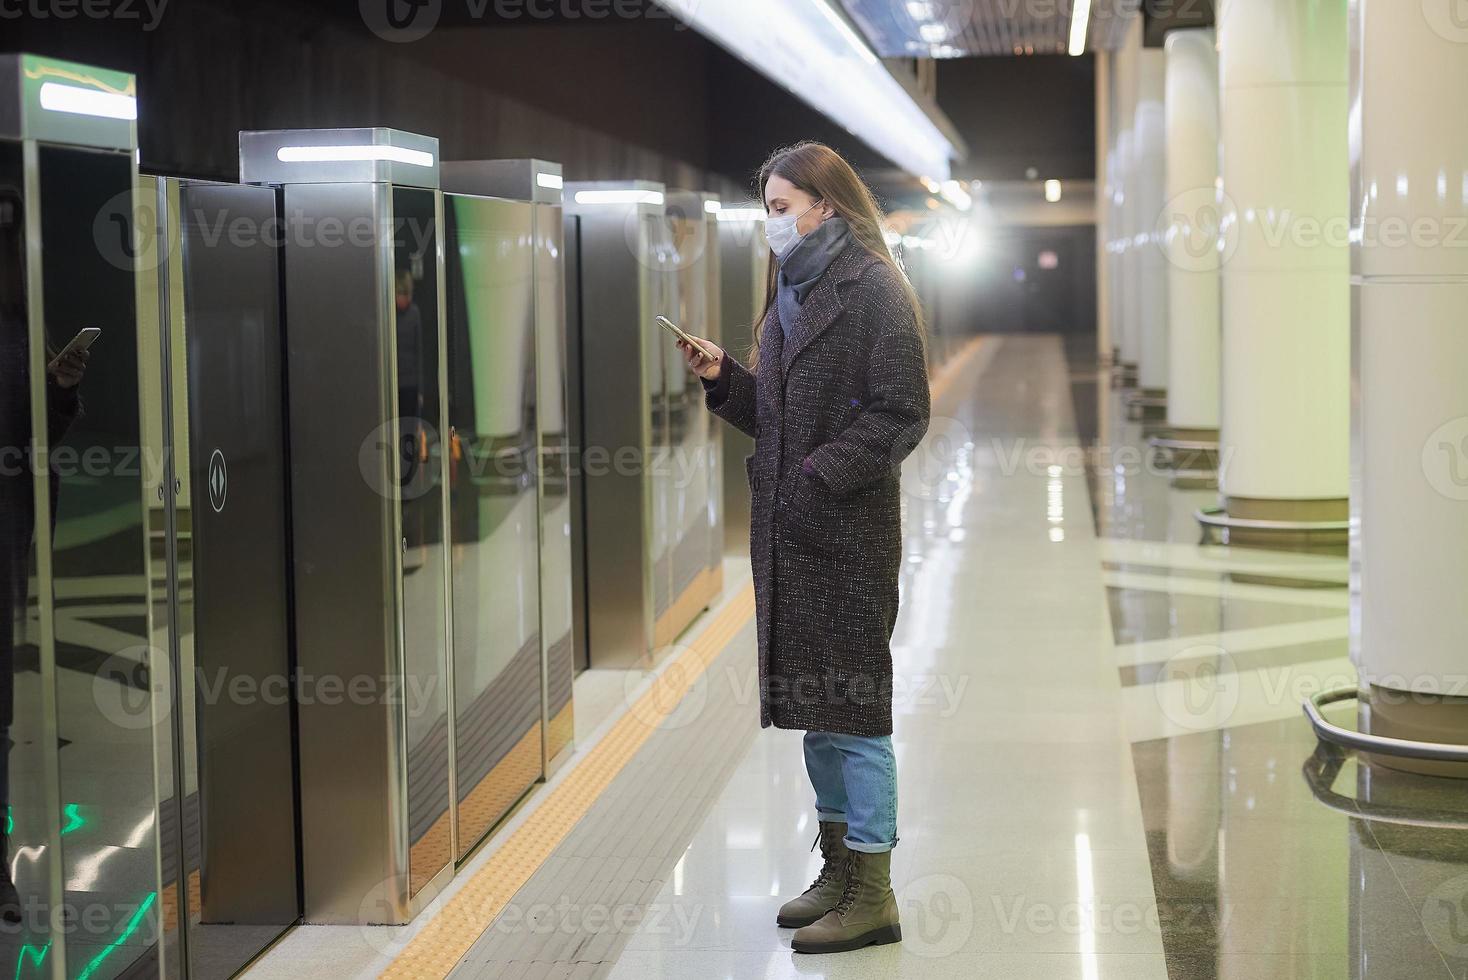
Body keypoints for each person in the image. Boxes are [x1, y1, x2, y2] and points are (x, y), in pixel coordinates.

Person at [675, 141, 931, 954]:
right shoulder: (789, 288)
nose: (772, 223)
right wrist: (725, 380)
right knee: (821, 714)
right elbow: (779, 417)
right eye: (768, 208)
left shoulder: (874, 288)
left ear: (827, 204)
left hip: (846, 535)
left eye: (782, 207)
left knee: (856, 716)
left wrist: (820, 475)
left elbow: (901, 413)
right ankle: (837, 873)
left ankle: (875, 892)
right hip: (792, 539)